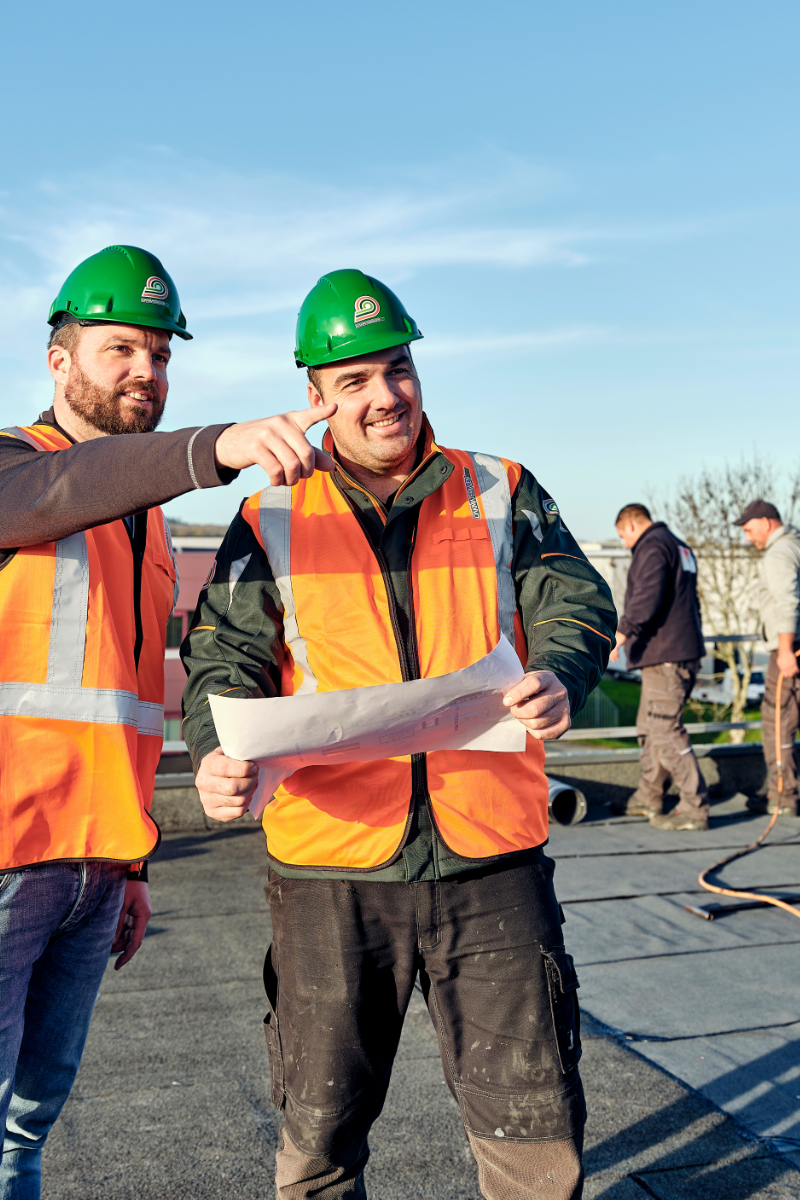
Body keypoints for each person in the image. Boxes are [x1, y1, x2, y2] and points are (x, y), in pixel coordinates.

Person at [181, 269, 617, 1200]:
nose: (385, 397)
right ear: (315, 398)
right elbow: (223, 658)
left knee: (533, 1132)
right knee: (320, 1134)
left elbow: (575, 597)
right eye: (354, 381)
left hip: (492, 858)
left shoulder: (501, 488)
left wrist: (562, 672)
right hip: (330, 871)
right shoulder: (271, 515)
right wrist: (216, 754)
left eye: (398, 369)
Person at [0, 244, 339, 1198]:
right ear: (59, 360)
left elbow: (124, 701)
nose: (146, 371)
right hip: (7, 854)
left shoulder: (143, 523)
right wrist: (213, 447)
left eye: (160, 354)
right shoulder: (14, 468)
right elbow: (52, 493)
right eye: (121, 350)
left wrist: (135, 859)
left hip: (94, 864)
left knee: (29, 1125)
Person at [609, 503, 709, 830]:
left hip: (666, 655)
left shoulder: (651, 546)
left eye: (623, 535)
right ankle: (648, 797)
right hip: (677, 652)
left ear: (632, 524)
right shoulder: (678, 545)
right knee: (650, 729)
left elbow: (646, 599)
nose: (625, 543)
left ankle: (694, 808)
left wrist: (620, 634)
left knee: (666, 730)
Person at [734, 499, 800, 817]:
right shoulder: (795, 544)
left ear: (766, 522)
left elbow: (788, 602)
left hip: (788, 648)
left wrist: (785, 649)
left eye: (749, 529)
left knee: (778, 720)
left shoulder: (779, 553)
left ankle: (783, 796)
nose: (748, 537)